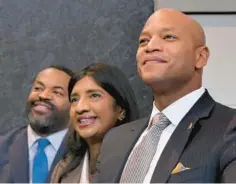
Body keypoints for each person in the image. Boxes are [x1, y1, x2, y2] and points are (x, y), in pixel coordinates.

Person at [92, 9, 236, 183]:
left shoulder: (228, 128)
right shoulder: (115, 139)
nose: (150, 47)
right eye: (143, 41)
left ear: (200, 57)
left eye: (168, 37)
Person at [50, 62, 140, 183]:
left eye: (94, 96)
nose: (80, 107)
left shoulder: (141, 165)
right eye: (74, 99)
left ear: (121, 110)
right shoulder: (63, 170)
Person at [0, 65, 74, 183]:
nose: (43, 95)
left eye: (57, 92)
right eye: (38, 88)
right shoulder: (3, 147)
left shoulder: (86, 152)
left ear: (74, 104)